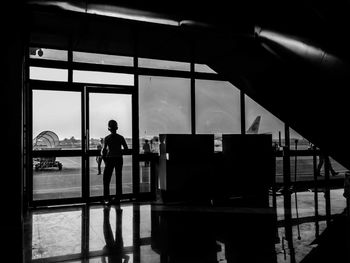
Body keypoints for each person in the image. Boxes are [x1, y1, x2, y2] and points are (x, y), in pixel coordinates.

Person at [102, 120, 128, 206]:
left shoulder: (107, 138)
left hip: (110, 159)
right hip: (119, 159)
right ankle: (118, 198)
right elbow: (126, 149)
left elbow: (104, 151)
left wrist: (105, 159)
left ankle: (106, 198)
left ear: (109, 129)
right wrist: (119, 152)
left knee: (106, 179)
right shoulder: (121, 137)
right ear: (117, 128)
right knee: (118, 178)